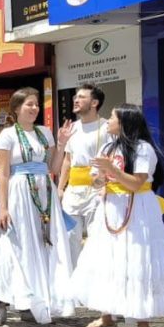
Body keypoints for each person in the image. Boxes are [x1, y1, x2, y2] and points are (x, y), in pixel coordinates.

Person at [70, 105, 164, 327]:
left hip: (137, 208)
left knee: (139, 256)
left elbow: (137, 183)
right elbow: (98, 180)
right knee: (107, 258)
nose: (108, 120)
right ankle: (106, 314)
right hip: (111, 206)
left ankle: (143, 319)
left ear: (125, 122)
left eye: (113, 117)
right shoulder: (108, 146)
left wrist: (111, 171)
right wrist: (99, 179)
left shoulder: (143, 149)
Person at [0, 87, 76, 327]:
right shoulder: (7, 135)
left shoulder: (44, 133)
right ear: (16, 109)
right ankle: (1, 304)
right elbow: (3, 173)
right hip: (18, 193)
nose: (34, 108)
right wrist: (3, 208)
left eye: (36, 104)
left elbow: (53, 167)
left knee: (43, 246)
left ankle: (34, 301)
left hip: (44, 193)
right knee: (13, 247)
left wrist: (62, 143)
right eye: (29, 104)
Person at [58, 84, 112, 264]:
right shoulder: (71, 127)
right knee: (69, 236)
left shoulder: (106, 127)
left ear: (94, 102)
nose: (76, 100)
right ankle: (73, 281)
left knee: (95, 236)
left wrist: (105, 184)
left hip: (96, 190)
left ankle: (94, 279)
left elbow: (112, 158)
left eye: (81, 97)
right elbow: (67, 159)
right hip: (73, 191)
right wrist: (60, 188)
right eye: (75, 97)